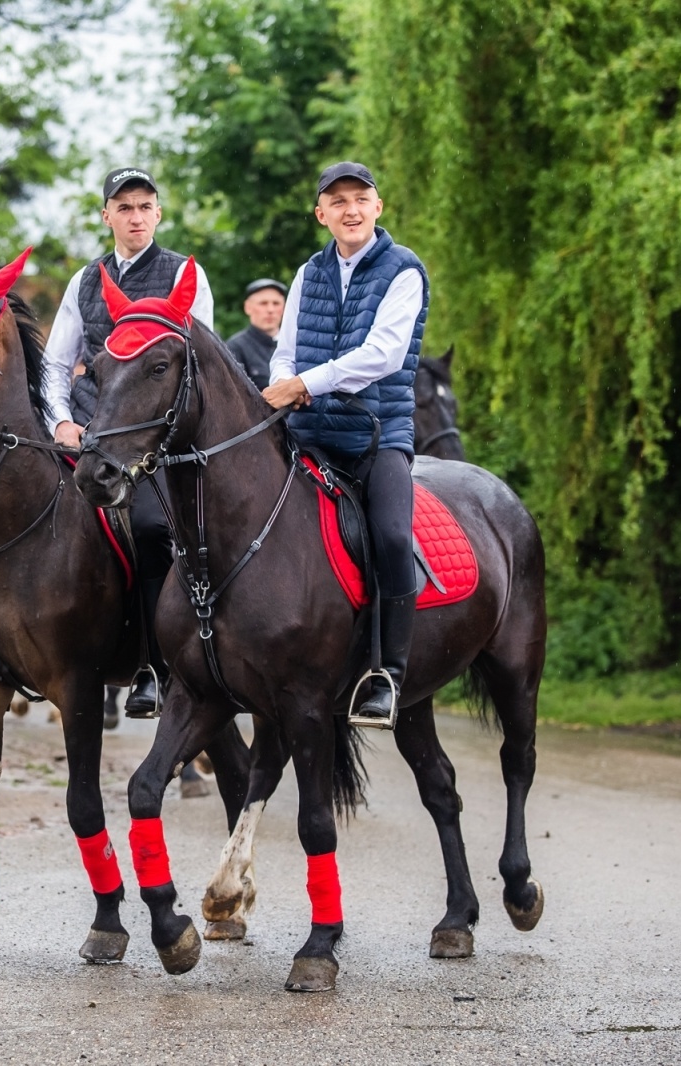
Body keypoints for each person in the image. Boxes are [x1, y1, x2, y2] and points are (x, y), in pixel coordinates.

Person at [41, 166, 215, 718]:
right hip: (87, 432)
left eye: (145, 206)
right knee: (11, 503)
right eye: (124, 207)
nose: (135, 216)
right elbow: (54, 362)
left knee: (148, 527)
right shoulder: (84, 281)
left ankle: (152, 667)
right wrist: (59, 421)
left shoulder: (185, 273)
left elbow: (199, 365)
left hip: (152, 441)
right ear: (106, 216)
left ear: (158, 213)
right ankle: (3, 651)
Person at [264, 161, 429, 730]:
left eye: (360, 198)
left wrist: (308, 382)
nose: (350, 209)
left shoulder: (404, 270)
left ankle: (388, 672)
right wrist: (287, 385)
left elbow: (383, 354)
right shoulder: (307, 274)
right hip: (309, 435)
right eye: (337, 202)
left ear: (378, 207)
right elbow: (284, 352)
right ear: (321, 215)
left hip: (376, 436)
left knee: (390, 534)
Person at [225, 278, 287, 390]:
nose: (270, 309)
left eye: (276, 303)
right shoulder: (234, 348)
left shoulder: (293, 344)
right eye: (263, 303)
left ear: (284, 308)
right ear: (248, 307)